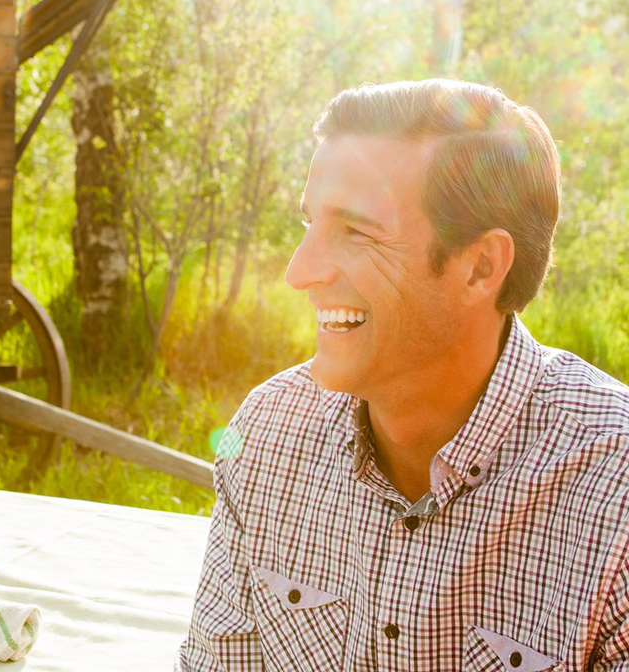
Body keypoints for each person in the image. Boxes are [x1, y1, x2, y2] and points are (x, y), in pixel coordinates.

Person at [178, 79, 629, 670]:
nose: (300, 270)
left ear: (480, 267)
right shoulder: (266, 437)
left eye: (358, 231)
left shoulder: (613, 492)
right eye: (309, 225)